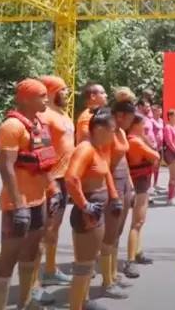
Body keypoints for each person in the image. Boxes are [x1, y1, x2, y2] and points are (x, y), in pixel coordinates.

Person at [0, 79, 61, 310]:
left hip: (39, 200)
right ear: (25, 99)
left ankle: (25, 303)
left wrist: (53, 190)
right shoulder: (11, 127)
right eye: (41, 95)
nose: (46, 99)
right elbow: (6, 167)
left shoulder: (39, 124)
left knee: (32, 253)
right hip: (17, 204)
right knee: (9, 257)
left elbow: (44, 161)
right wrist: (18, 205)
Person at [65, 108, 121, 310]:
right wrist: (85, 205)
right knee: (84, 266)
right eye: (112, 131)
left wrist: (113, 197)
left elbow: (104, 175)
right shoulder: (85, 149)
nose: (113, 135)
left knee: (88, 264)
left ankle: (82, 302)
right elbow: (71, 179)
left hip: (96, 212)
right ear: (99, 129)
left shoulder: (98, 148)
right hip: (88, 214)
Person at [31, 76, 76, 303]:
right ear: (50, 92)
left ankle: (50, 271)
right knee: (42, 233)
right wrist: (50, 182)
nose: (67, 93)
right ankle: (33, 284)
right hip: (52, 181)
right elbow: (40, 150)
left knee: (53, 230)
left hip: (64, 179)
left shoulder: (62, 115)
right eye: (63, 90)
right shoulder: (43, 116)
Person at [99, 100, 139, 299]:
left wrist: (130, 187)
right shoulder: (107, 133)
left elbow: (124, 161)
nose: (132, 122)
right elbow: (104, 164)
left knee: (117, 234)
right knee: (109, 235)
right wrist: (113, 192)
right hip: (112, 183)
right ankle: (106, 282)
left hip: (124, 183)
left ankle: (114, 275)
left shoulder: (121, 132)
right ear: (120, 115)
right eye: (130, 118)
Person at [124, 113, 161, 278]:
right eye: (143, 124)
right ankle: (130, 260)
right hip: (138, 183)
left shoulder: (138, 139)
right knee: (137, 222)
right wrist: (147, 141)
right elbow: (156, 156)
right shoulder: (135, 141)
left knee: (140, 221)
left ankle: (137, 252)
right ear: (135, 125)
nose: (145, 127)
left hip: (143, 182)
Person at [151, 103, 164, 192]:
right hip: (153, 146)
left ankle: (155, 184)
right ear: (154, 111)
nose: (160, 112)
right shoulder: (151, 121)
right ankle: (150, 186)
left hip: (160, 146)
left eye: (161, 110)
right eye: (158, 111)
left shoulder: (161, 121)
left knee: (158, 166)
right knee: (152, 166)